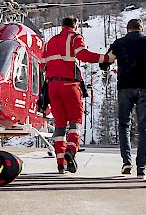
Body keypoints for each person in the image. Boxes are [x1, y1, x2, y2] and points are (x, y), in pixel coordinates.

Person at [42, 16, 111, 174]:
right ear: (75, 26)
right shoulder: (75, 37)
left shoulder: (51, 41)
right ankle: (70, 152)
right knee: (75, 121)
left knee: (59, 124)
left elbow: (42, 64)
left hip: (53, 86)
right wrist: (105, 58)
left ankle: (60, 163)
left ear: (62, 25)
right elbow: (83, 55)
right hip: (70, 85)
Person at [100, 18, 146, 178]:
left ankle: (126, 162)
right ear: (141, 29)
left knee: (124, 125)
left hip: (125, 87)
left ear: (127, 29)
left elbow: (105, 63)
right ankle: (142, 168)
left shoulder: (119, 43)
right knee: (144, 128)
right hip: (145, 87)